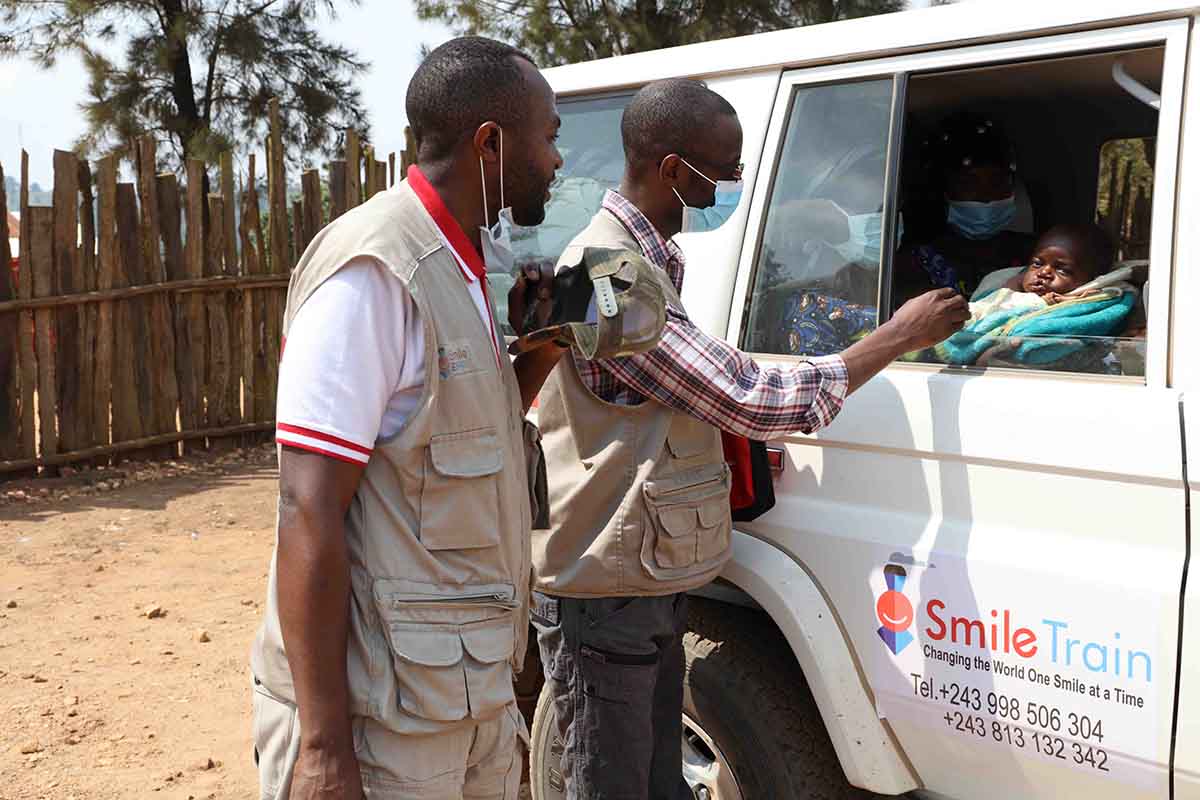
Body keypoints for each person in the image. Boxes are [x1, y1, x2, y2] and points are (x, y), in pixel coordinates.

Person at [529, 78, 969, 800]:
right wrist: (896, 336)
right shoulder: (603, 272)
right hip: (604, 593)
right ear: (673, 170)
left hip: (634, 580)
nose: (733, 184)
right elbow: (745, 395)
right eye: (724, 170)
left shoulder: (639, 261)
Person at [249, 36, 567, 800]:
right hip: (378, 726)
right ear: (490, 143)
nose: (557, 160)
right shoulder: (377, 271)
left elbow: (451, 442)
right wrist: (324, 750)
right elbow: (306, 505)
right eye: (549, 137)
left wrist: (541, 350)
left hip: (459, 700)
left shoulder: (465, 263)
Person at [895, 112, 1036, 302]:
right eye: (969, 184)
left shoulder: (1038, 255)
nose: (986, 197)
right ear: (944, 191)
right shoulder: (917, 263)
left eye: (997, 182)